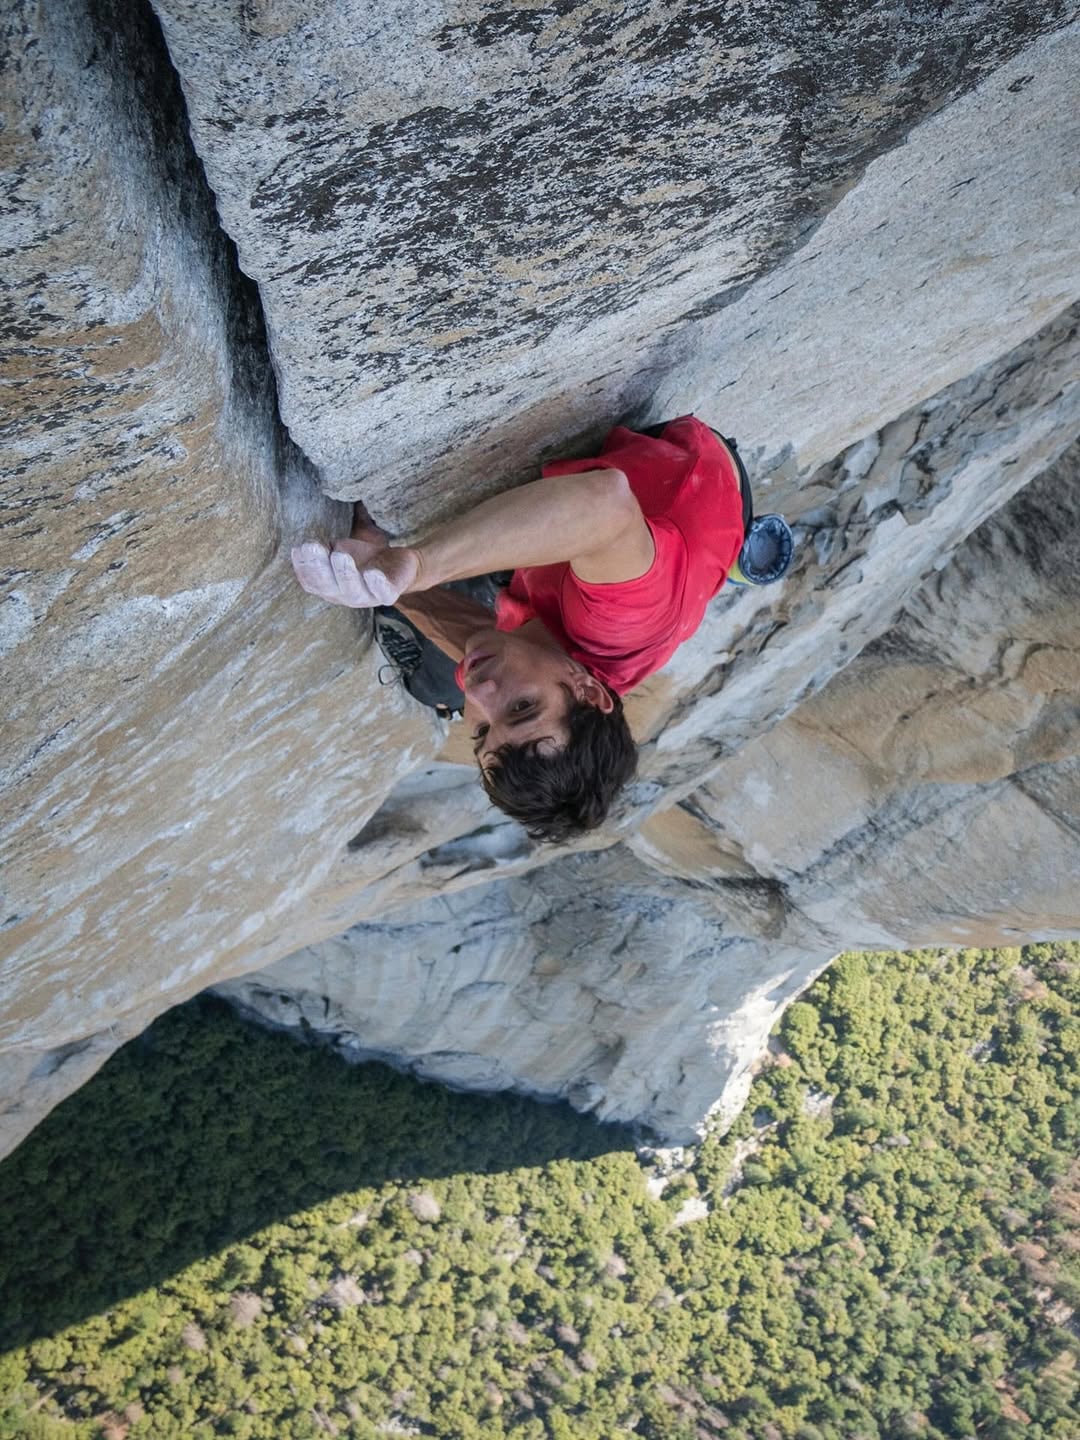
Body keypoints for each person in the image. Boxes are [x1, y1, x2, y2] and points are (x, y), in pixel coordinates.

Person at [291, 416, 791, 843]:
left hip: (638, 570)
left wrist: (383, 580)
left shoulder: (558, 677)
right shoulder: (619, 622)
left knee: (445, 681)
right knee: (443, 666)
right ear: (590, 691)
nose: (484, 693)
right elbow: (606, 502)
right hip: (686, 470)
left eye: (483, 733)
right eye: (522, 708)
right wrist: (417, 564)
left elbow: (477, 648)